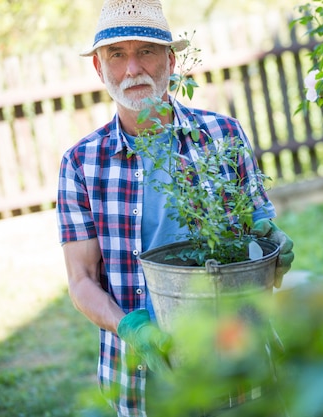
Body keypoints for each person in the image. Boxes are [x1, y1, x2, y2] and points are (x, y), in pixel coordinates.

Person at [56, 0, 294, 415]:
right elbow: (81, 280)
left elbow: (259, 228)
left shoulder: (222, 134)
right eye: (117, 55)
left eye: (146, 50)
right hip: (142, 370)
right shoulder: (81, 163)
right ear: (99, 68)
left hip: (237, 350)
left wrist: (271, 244)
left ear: (171, 59)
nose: (133, 69)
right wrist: (129, 327)